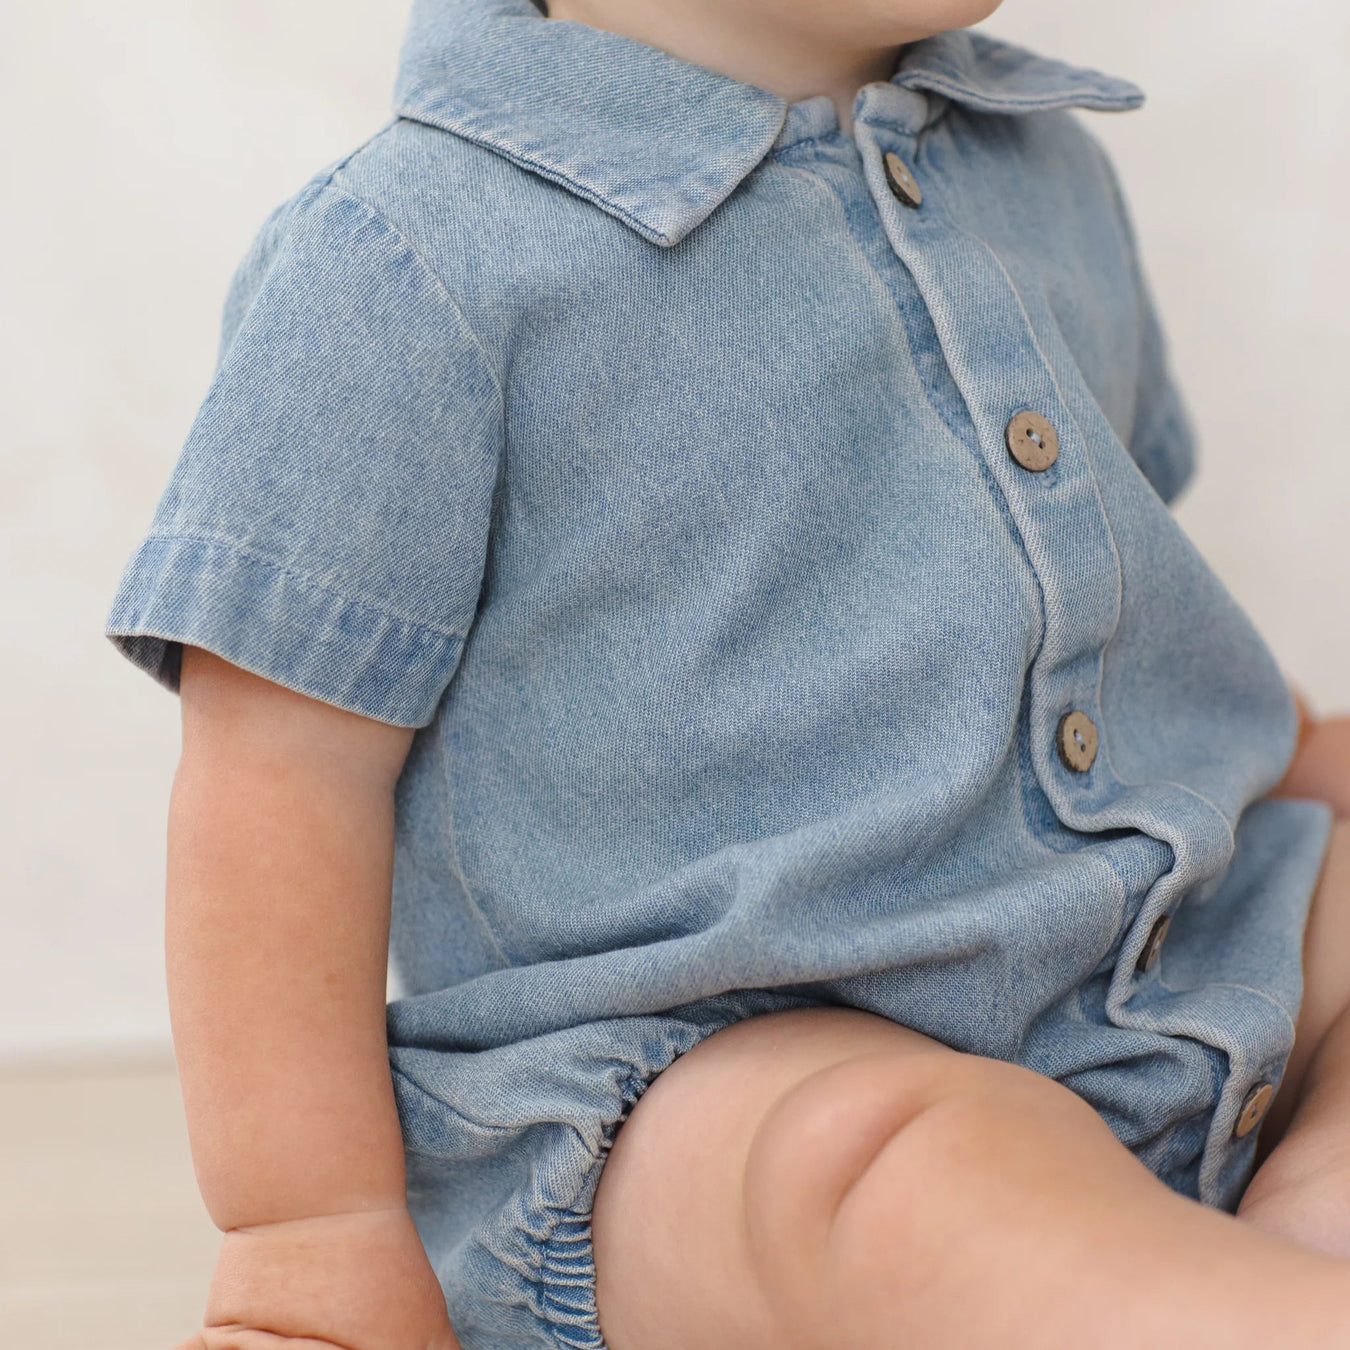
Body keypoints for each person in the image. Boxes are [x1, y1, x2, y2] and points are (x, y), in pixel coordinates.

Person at [105, 0, 1350, 1346]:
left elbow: (1098, 590)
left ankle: (1295, 1232)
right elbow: (278, 784)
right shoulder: (409, 259)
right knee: (883, 1156)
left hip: (1151, 964)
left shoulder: (1039, 168)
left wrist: (1271, 756)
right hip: (704, 1070)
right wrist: (309, 1236)